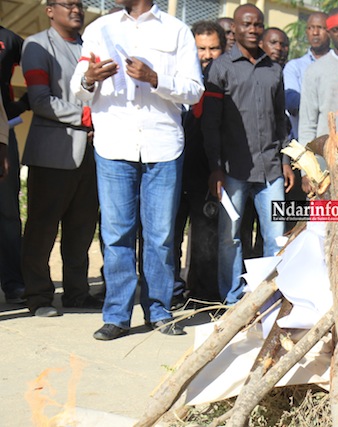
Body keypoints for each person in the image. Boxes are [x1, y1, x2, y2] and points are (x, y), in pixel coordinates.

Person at [71, 0, 203, 340]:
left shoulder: (176, 31)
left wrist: (155, 78)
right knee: (117, 234)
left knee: (159, 236)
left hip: (162, 145)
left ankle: (159, 310)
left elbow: (194, 89)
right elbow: (77, 89)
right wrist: (89, 78)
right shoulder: (100, 29)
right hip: (114, 144)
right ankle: (117, 315)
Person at [202, 4, 293, 304]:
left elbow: (281, 121)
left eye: (258, 25)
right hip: (232, 170)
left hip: (271, 170)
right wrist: (215, 167)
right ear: (236, 28)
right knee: (230, 238)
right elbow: (211, 122)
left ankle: (269, 300)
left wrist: (286, 160)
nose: (253, 30)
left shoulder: (274, 69)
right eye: (246, 25)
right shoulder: (222, 67)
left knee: (277, 239)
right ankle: (232, 300)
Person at [20, 1, 100, 317]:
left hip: (93, 153)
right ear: (50, 10)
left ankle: (77, 293)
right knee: (42, 229)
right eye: (67, 4)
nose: (76, 10)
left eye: (79, 4)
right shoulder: (37, 45)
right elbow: (40, 100)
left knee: (81, 229)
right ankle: (38, 297)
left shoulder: (90, 48)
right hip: (53, 154)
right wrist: (87, 117)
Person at [172, 20, 226, 307]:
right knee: (168, 234)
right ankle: (170, 291)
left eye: (213, 48)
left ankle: (203, 296)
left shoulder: (224, 82)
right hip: (170, 167)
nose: (207, 55)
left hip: (207, 171)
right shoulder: (174, 77)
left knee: (206, 236)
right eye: (201, 48)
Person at [298, 7, 338, 193]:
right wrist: (307, 169)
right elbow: (307, 123)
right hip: (326, 164)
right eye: (336, 30)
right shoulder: (315, 70)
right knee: (328, 219)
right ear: (329, 32)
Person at [0, 25, 28, 305]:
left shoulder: (9, 39)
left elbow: (43, 67)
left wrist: (23, 104)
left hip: (2, 133)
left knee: (7, 211)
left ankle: (13, 283)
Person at [283, 12, 330, 141]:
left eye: (320, 28)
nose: (315, 32)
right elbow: (292, 101)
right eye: (311, 28)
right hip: (304, 143)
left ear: (330, 31)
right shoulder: (294, 67)